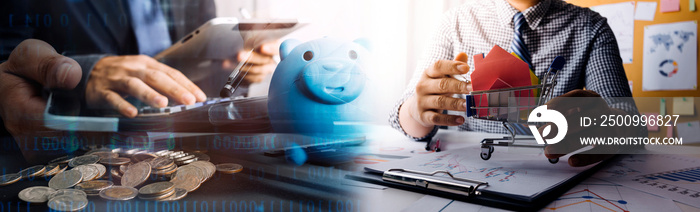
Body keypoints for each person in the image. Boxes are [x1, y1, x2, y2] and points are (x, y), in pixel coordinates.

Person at [390, 0, 644, 167]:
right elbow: (405, 116)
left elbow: (628, 119)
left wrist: (612, 126)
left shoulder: (590, 27)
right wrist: (416, 111)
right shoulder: (453, 22)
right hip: (467, 169)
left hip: (557, 173)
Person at [0, 0, 278, 134]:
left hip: (187, 144)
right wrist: (85, 73)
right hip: (87, 149)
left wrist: (237, 68)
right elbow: (9, 61)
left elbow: (198, 64)